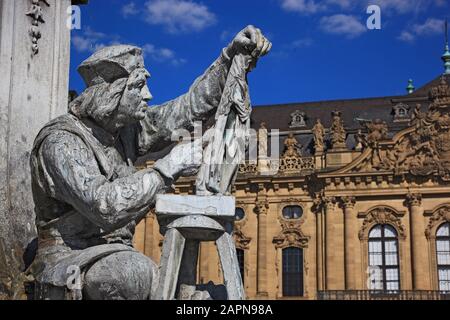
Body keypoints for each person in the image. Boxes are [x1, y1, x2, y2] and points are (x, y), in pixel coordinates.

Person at [28, 26, 271, 300]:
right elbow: (104, 206)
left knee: (205, 296)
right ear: (113, 93)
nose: (149, 95)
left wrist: (231, 56)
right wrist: (169, 166)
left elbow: (187, 108)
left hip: (119, 256)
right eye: (139, 86)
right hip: (68, 260)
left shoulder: (127, 131)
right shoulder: (60, 141)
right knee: (131, 274)